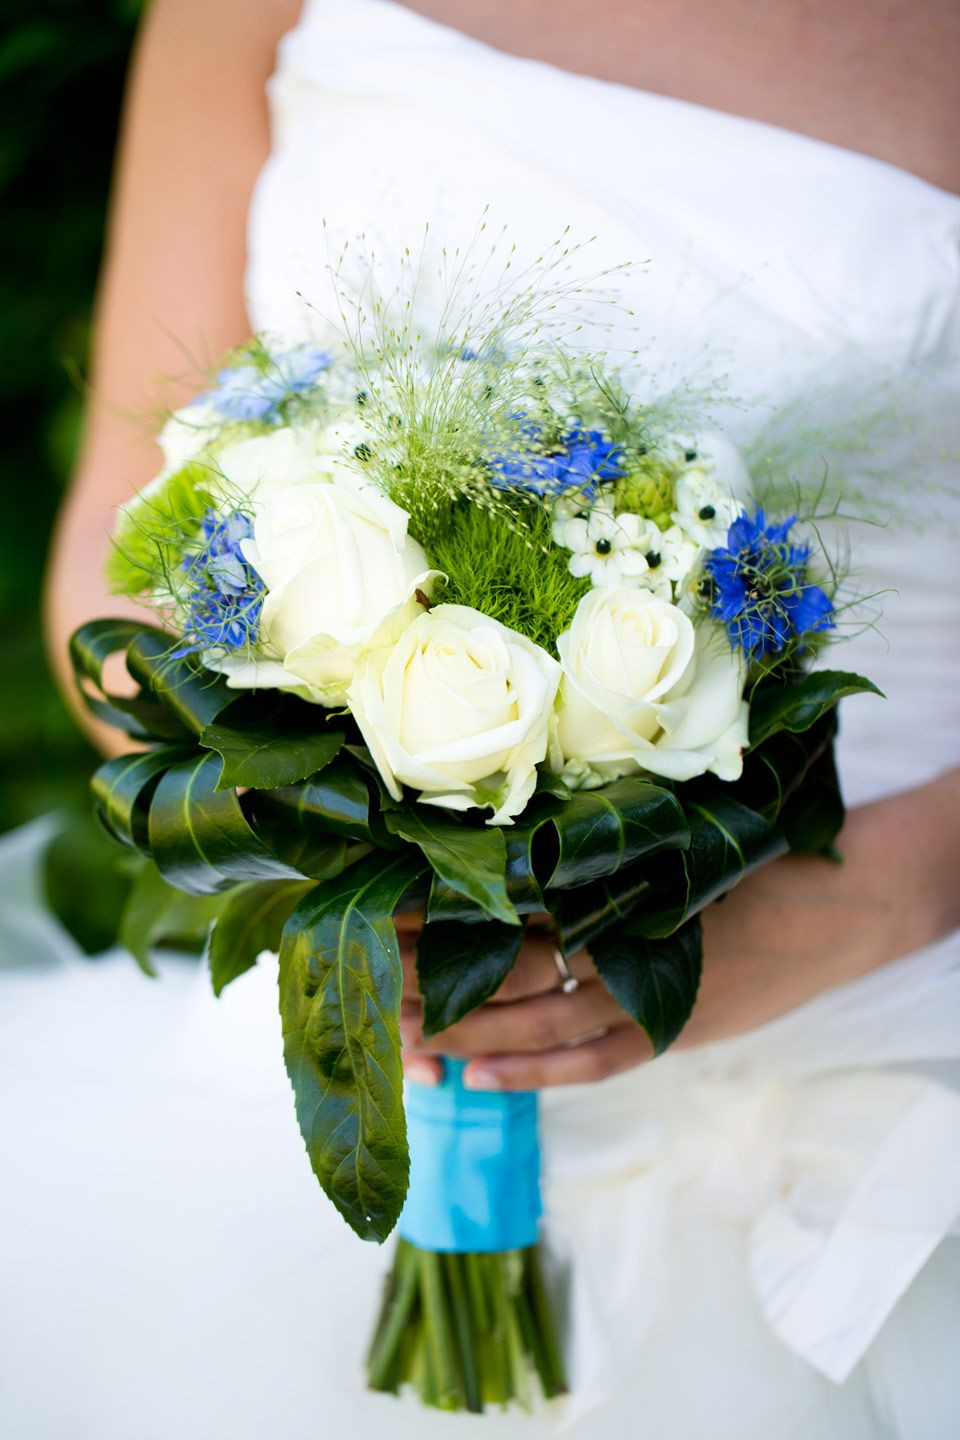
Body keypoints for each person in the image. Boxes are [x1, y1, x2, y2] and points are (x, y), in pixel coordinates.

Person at [8, 0, 956, 1435]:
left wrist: (887, 887)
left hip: (875, 1033)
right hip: (335, 1063)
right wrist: (329, 824)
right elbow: (126, 522)